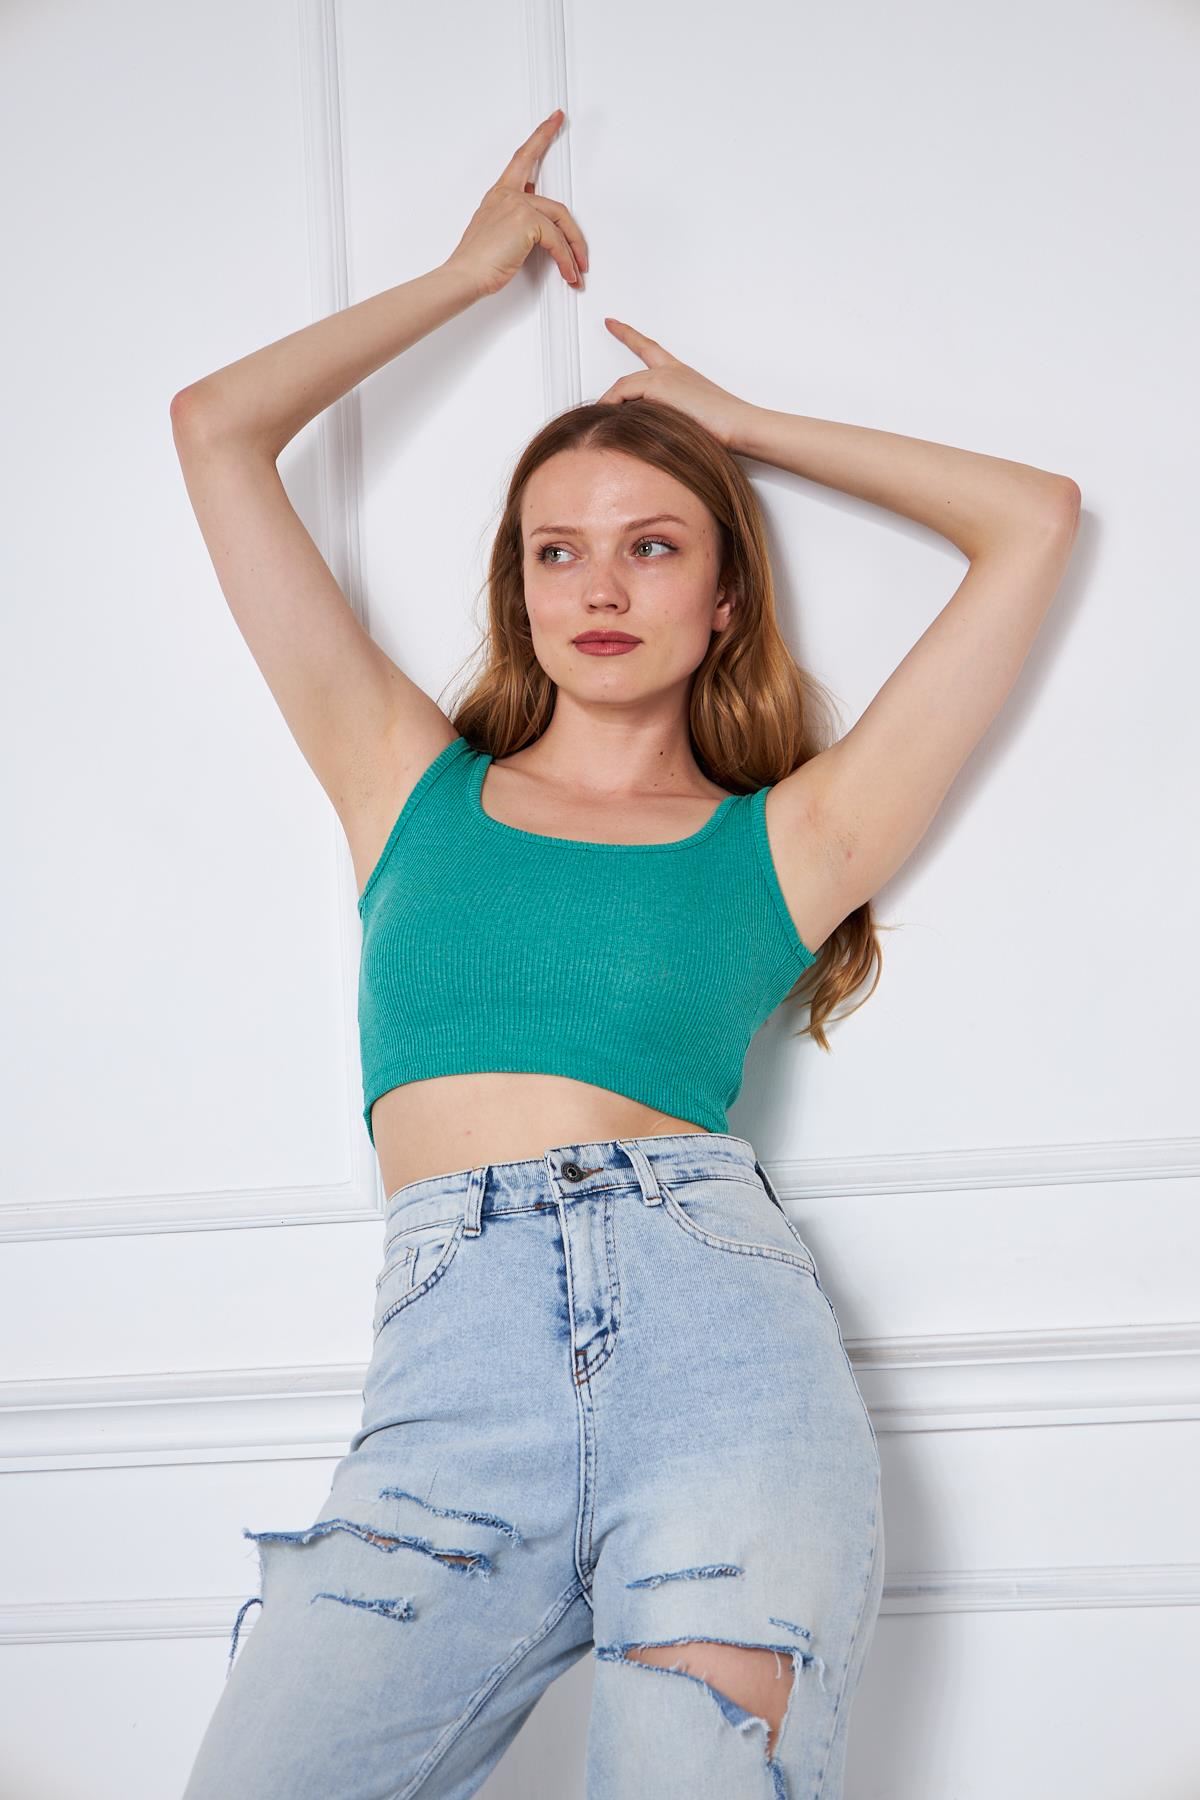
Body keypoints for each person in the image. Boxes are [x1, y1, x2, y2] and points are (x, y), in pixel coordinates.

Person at [172, 107, 1080, 1800]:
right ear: (520, 591)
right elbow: (214, 430)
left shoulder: (786, 842)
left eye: (654, 543)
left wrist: (737, 428)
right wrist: (464, 279)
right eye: (558, 550)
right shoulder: (405, 784)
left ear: (723, 597)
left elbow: (1031, 518)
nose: (599, 586)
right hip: (450, 1388)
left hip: (723, 1366)